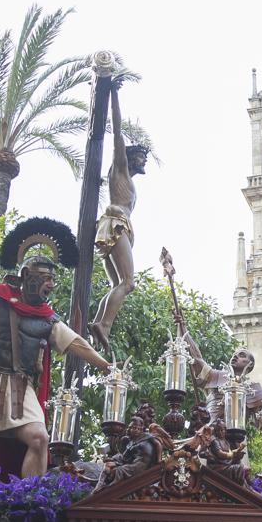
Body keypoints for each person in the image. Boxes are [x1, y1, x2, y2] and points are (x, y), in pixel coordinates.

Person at [0, 212, 110, 478]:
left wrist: (105, 365)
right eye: (45, 277)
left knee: (39, 438)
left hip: (20, 385)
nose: (50, 283)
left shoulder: (47, 319)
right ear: (26, 275)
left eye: (53, 278)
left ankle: (27, 500)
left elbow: (76, 342)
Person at [89, 86, 149, 350]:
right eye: (142, 157)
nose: (144, 161)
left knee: (117, 283)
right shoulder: (120, 169)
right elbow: (117, 131)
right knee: (128, 283)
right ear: (131, 157)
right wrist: (113, 93)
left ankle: (98, 324)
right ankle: (104, 325)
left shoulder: (127, 179)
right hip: (115, 224)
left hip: (117, 225)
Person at [176, 317, 262, 424]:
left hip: (235, 437)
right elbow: (197, 359)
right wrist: (183, 328)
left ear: (250, 364)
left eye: (241, 355)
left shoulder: (255, 390)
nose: (235, 357)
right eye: (234, 355)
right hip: (208, 430)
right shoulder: (217, 376)